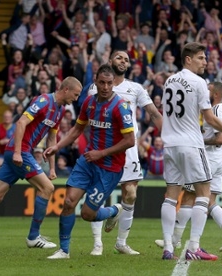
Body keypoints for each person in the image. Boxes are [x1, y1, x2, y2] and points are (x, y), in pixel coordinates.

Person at [0, 77, 82, 249]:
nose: (76, 98)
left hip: (17, 153)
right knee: (47, 188)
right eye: (76, 94)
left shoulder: (59, 111)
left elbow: (51, 139)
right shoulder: (43, 101)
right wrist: (18, 152)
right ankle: (33, 237)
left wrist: (52, 167)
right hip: (20, 151)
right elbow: (21, 122)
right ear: (66, 89)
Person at [160, 42, 222, 261]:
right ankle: (194, 247)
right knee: (204, 193)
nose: (205, 62)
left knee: (171, 195)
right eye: (201, 58)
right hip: (190, 144)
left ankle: (168, 246)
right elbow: (208, 118)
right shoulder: (198, 82)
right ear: (188, 59)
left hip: (169, 144)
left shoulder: (169, 81)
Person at [45, 64, 135, 259]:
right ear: (95, 81)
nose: (105, 87)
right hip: (87, 161)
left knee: (87, 214)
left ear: (113, 84)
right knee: (68, 202)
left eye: (109, 83)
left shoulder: (120, 107)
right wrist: (57, 147)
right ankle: (64, 250)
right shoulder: (88, 103)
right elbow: (77, 129)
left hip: (109, 168)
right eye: (102, 82)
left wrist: (101, 153)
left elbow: (130, 141)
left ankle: (114, 211)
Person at [89, 50, 163, 256]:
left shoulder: (135, 88)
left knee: (130, 193)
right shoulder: (94, 88)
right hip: (102, 145)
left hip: (128, 146)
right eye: (119, 57)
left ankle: (121, 243)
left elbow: (154, 113)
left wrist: (170, 137)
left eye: (127, 59)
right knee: (98, 194)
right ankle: (97, 243)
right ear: (110, 61)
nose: (123, 61)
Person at [155, 81, 222, 252]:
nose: (204, 92)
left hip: (206, 158)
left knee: (188, 197)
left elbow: (218, 139)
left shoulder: (215, 110)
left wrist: (197, 140)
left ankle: (175, 240)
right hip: (218, 159)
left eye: (208, 90)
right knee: (210, 201)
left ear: (215, 94)